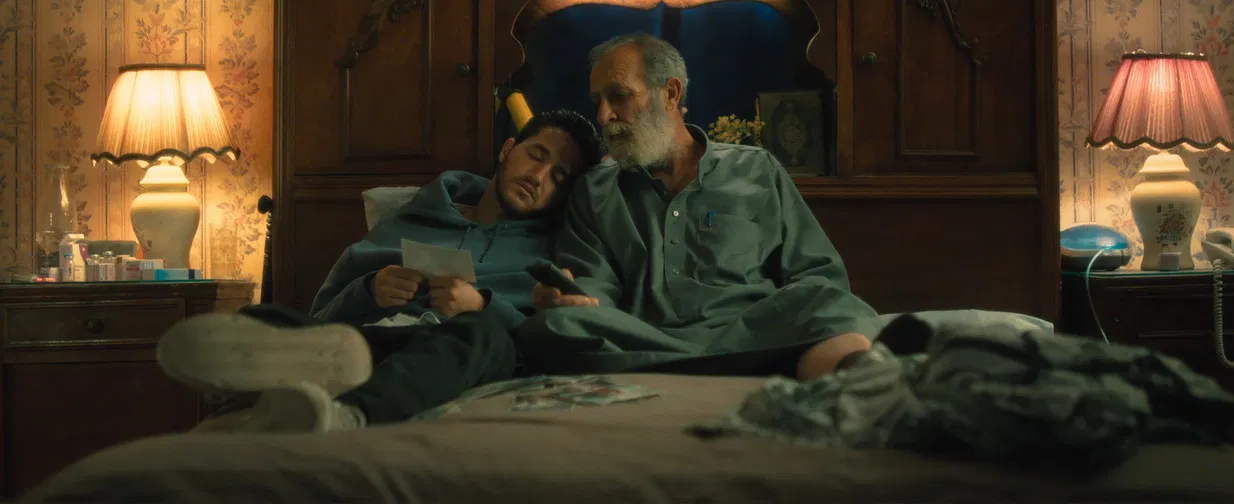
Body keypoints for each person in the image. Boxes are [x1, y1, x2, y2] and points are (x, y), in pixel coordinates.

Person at [156, 109, 604, 433]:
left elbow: (544, 347)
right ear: (508, 150)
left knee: (481, 333)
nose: (539, 176)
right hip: (369, 340)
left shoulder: (551, 251)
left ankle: (346, 414)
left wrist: (484, 306)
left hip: (455, 352)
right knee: (265, 318)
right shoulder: (412, 218)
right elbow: (322, 316)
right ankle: (264, 379)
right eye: (536, 155)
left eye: (559, 176)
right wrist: (369, 289)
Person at [516, 34, 881, 381]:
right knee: (553, 326)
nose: (604, 116)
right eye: (598, 101)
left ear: (670, 93)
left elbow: (816, 272)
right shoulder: (596, 190)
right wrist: (572, 298)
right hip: (644, 338)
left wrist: (805, 315)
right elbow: (595, 289)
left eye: (619, 96)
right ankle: (752, 366)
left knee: (830, 302)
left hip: (752, 333)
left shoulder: (756, 169)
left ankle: (858, 377)